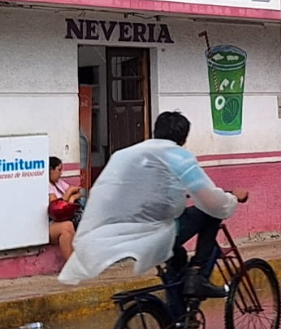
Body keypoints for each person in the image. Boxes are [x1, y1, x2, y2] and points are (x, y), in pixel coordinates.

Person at [59, 111, 247, 305]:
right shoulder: (178, 157)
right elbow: (211, 199)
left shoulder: (126, 154)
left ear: (155, 132)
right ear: (183, 139)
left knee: (178, 257)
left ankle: (178, 315)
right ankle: (197, 275)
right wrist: (232, 198)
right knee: (211, 213)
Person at [47, 156, 82, 262]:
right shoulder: (46, 186)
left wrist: (71, 199)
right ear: (50, 170)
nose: (60, 173)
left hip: (64, 219)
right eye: (59, 170)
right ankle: (71, 264)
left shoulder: (59, 183)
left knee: (70, 226)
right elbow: (56, 207)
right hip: (49, 223)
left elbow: (79, 192)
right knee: (67, 227)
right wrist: (68, 193)